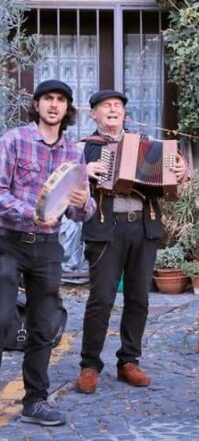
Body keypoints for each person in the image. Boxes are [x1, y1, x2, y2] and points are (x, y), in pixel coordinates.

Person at [75, 90, 188, 394]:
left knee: (139, 298)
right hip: (105, 229)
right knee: (101, 299)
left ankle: (129, 361)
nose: (112, 110)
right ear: (93, 114)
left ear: (124, 114)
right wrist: (83, 172)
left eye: (118, 106)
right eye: (105, 106)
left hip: (143, 228)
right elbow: (67, 182)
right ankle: (89, 364)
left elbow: (175, 176)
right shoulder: (84, 149)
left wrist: (181, 169)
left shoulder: (146, 145)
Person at [0, 80, 96, 425]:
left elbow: (77, 209)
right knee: (0, 318)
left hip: (47, 247)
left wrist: (84, 204)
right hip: (7, 241)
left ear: (67, 108)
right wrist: (34, 212)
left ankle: (35, 401)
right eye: (48, 99)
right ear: (37, 104)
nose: (54, 105)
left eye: (60, 100)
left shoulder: (74, 152)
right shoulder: (15, 140)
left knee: (43, 325)